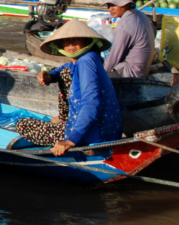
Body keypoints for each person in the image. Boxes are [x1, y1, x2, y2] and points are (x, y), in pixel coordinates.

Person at [15, 20, 122, 155]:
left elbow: (92, 102)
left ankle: (68, 133)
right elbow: (65, 68)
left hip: (92, 135)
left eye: (76, 40)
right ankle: (65, 119)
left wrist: (71, 140)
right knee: (64, 73)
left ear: (87, 42)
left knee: (23, 125)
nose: (71, 44)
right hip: (107, 129)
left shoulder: (85, 63)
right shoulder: (89, 58)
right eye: (67, 41)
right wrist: (50, 76)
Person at [101, 0, 155, 77]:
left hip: (132, 72)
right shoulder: (141, 15)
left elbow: (114, 59)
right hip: (144, 69)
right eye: (108, 5)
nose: (111, 9)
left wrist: (99, 74)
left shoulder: (124, 26)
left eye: (114, 5)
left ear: (125, 5)